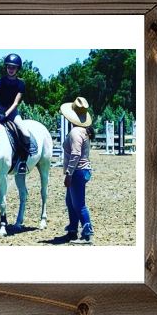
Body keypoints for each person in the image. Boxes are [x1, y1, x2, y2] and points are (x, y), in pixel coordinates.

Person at [60, 97, 95, 245]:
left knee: (79, 204)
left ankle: (87, 232)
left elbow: (75, 154)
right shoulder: (84, 131)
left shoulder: (75, 132)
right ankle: (72, 229)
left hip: (77, 171)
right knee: (70, 201)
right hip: (83, 170)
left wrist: (69, 173)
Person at [0, 53, 31, 174]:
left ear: (17, 69)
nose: (11, 69)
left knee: (25, 134)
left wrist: (6, 114)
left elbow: (15, 103)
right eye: (9, 67)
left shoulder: (21, 84)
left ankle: (23, 162)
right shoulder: (0, 81)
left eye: (13, 67)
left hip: (13, 113)